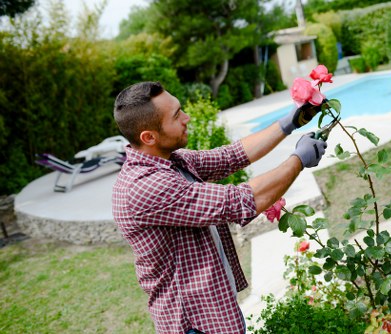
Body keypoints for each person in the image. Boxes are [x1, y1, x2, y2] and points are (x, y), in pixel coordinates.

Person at [111, 81, 327, 334]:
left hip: (213, 312)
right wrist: (298, 160)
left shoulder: (170, 161)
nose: (186, 118)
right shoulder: (146, 186)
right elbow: (241, 201)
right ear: (149, 137)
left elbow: (231, 156)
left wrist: (287, 124)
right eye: (177, 115)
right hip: (194, 323)